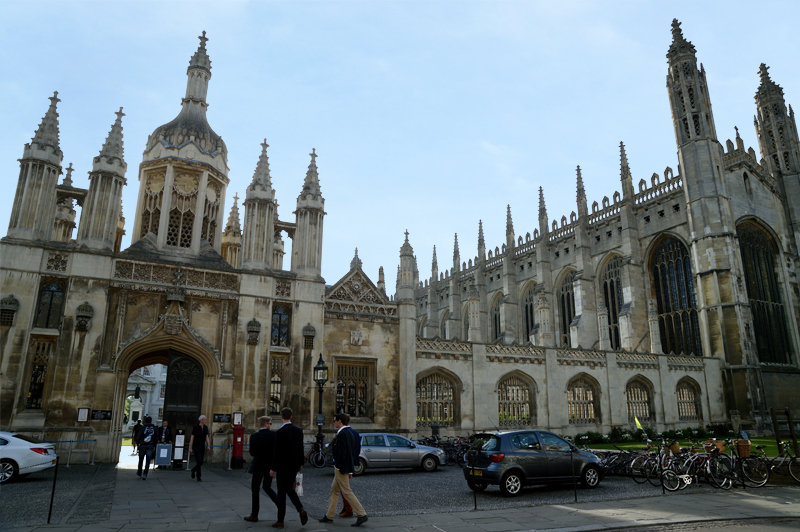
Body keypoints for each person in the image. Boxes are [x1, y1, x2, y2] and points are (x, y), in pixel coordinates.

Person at [319, 413, 368, 527]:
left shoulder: (342, 434)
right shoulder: (349, 433)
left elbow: (342, 453)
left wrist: (337, 465)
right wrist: (350, 469)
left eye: (335, 420)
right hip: (345, 467)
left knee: (346, 491)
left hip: (341, 468)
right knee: (334, 490)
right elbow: (351, 452)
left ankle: (361, 514)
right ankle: (329, 515)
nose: (334, 422)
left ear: (340, 421)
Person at [270, 407, 308, 529]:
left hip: (282, 466)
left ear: (281, 417)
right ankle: (300, 508)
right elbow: (300, 448)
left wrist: (273, 468)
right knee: (289, 489)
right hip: (294, 466)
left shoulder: (280, 432)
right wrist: (300, 464)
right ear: (291, 416)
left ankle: (280, 521)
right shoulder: (298, 430)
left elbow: (277, 452)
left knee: (281, 493)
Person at [244, 416, 279, 523]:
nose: (270, 425)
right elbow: (276, 452)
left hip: (258, 466)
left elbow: (252, 453)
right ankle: (280, 504)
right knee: (267, 487)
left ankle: (254, 515)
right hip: (269, 467)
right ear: (266, 424)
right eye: (270, 423)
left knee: (255, 490)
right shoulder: (274, 435)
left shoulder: (254, 436)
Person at [338, 420, 361, 518]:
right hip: (350, 463)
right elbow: (357, 449)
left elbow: (344, 451)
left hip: (344, 465)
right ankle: (345, 508)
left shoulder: (344, 432)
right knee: (338, 489)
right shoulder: (355, 433)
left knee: (345, 489)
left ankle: (350, 509)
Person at [189, 414, 210, 482]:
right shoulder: (196, 428)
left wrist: (208, 445)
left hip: (202, 446)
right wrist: (190, 447)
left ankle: (193, 470)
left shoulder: (206, 428)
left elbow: (207, 437)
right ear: (201, 420)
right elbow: (192, 438)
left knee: (201, 463)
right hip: (196, 446)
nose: (206, 421)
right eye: (205, 420)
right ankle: (199, 477)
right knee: (199, 461)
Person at [136, 416, 157, 480]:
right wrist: (154, 445)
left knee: (141, 460)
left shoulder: (142, 427)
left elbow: (138, 435)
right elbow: (156, 437)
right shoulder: (154, 428)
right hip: (150, 445)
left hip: (142, 444)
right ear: (151, 421)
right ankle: (145, 474)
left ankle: (139, 472)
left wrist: (138, 444)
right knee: (148, 461)